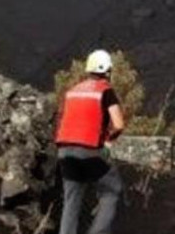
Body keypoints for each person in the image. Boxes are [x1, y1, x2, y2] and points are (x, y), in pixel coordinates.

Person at [55, 49, 126, 234]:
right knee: (112, 189)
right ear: (107, 71)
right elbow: (118, 124)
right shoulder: (105, 90)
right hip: (89, 149)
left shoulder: (72, 91)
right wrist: (109, 141)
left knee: (71, 199)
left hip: (64, 150)